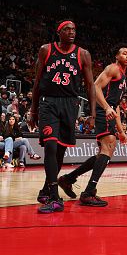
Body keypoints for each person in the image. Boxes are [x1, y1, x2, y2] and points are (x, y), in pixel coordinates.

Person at [29, 20, 96, 213]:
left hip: (70, 104)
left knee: (59, 151)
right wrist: (33, 110)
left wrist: (91, 114)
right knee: (50, 145)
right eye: (67, 29)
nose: (71, 32)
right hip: (48, 102)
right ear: (59, 32)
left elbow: (90, 85)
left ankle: (45, 189)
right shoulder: (46, 50)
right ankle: (54, 197)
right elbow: (37, 81)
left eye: (74, 29)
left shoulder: (83, 54)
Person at [59, 45, 127, 207]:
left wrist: (121, 130)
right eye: (124, 53)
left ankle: (68, 179)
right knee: (108, 147)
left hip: (109, 111)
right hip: (102, 110)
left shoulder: (124, 77)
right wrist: (106, 108)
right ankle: (89, 192)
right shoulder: (112, 69)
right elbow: (95, 87)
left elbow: (116, 105)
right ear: (117, 56)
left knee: (103, 153)